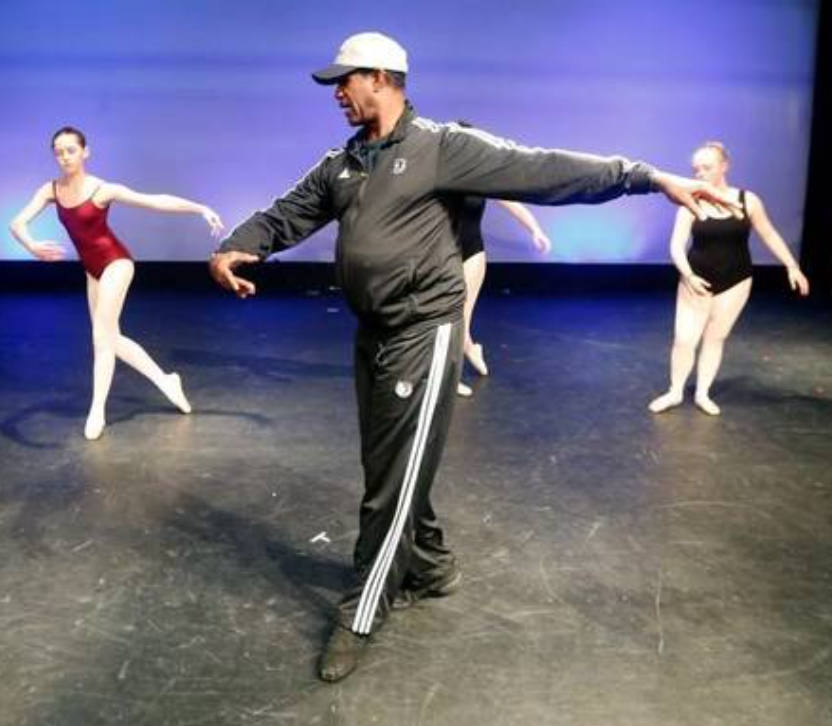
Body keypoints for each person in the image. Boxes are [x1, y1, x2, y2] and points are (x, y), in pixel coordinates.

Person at [208, 32, 740, 683]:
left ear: (382, 76)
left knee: (390, 484)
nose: (337, 94)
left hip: (425, 331)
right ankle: (431, 565)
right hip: (371, 332)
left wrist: (647, 177)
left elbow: (544, 168)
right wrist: (238, 245)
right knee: (388, 465)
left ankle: (362, 609)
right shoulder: (345, 162)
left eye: (344, 81)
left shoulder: (441, 147)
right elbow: (289, 213)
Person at [9, 126, 224, 440]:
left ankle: (97, 409)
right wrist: (31, 246)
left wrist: (200, 208)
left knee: (101, 336)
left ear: (85, 152)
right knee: (111, 337)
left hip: (116, 263)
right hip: (92, 270)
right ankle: (166, 381)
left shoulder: (101, 190)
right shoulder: (51, 190)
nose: (65, 156)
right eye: (59, 151)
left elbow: (154, 201)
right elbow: (17, 223)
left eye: (71, 150)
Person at [648, 141, 810, 416]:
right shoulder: (689, 202)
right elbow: (676, 246)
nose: (699, 173)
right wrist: (688, 275)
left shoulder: (748, 200)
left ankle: (702, 393)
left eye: (706, 167)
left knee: (715, 338)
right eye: (695, 169)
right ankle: (675, 391)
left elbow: (768, 233)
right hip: (696, 278)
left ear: (724, 167)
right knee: (685, 339)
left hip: (736, 279)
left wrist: (791, 265)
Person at [452, 190, 552, 396]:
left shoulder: (480, 178)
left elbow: (513, 203)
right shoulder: (445, 175)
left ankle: (450, 379)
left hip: (472, 253)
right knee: (449, 318)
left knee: (460, 317)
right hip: (444, 254)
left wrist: (536, 230)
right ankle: (471, 348)